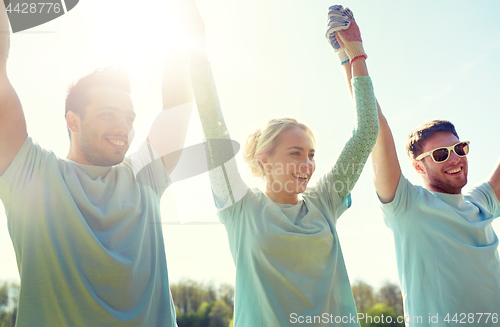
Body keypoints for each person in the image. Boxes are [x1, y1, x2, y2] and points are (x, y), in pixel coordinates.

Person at [0, 2, 194, 326]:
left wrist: (180, 24)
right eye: (108, 114)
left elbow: (178, 104)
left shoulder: (145, 176)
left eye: (129, 118)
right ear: (72, 121)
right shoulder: (31, 174)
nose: (124, 127)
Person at [185, 4, 378, 326]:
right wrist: (196, 50)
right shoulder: (240, 207)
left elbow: (366, 133)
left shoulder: (325, 201)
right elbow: (213, 129)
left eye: (311, 154)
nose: (307, 164)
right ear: (264, 159)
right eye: (295, 153)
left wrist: (356, 55)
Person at [371, 70, 500, 325]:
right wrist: (353, 57)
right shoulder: (408, 206)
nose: (454, 158)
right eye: (441, 154)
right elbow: (375, 128)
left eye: (459, 148)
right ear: (419, 167)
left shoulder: (480, 203)